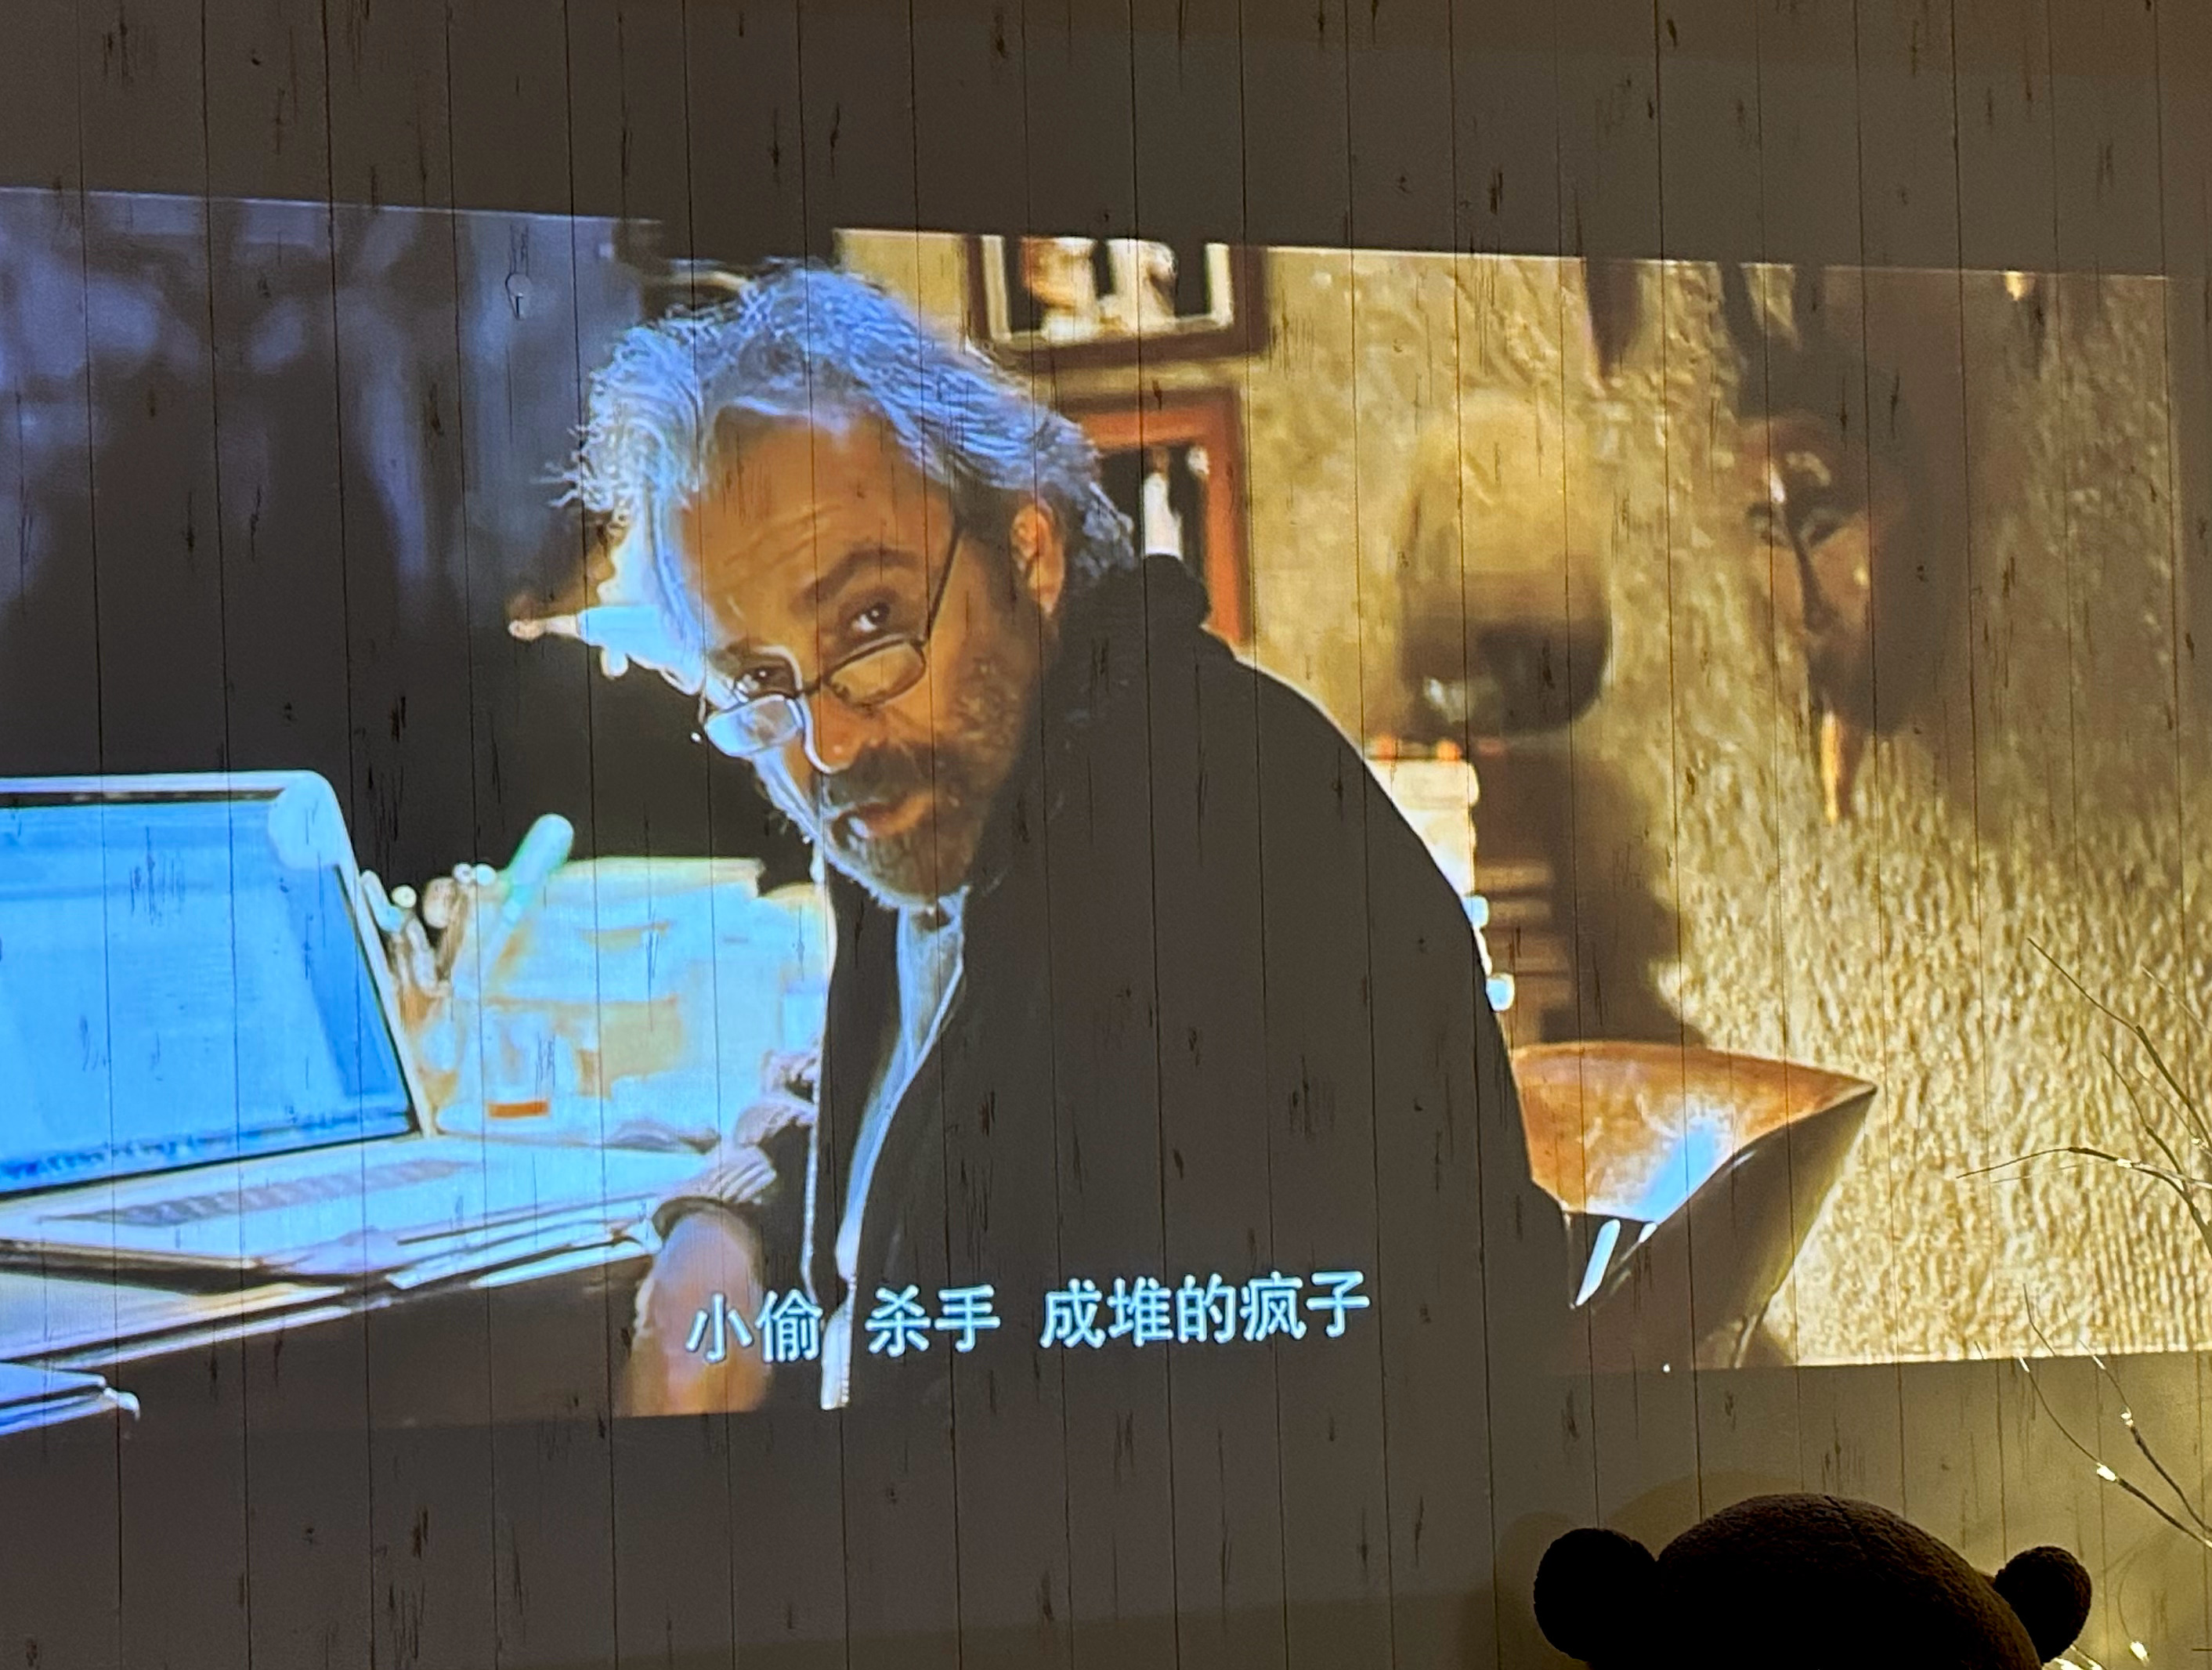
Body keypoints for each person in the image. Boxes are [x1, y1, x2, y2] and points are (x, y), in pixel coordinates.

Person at [573, 265, 1565, 1412]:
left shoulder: (1194, 841)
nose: (827, 742)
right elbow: (913, 1060)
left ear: (1029, 557)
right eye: (757, 680)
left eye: (871, 619)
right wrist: (728, 1215)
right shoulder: (947, 794)